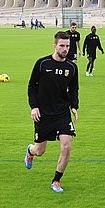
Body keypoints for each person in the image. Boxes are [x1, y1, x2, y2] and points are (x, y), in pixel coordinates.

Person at [25, 32, 79, 193]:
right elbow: (31, 86)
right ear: (54, 45)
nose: (65, 49)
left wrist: (74, 106)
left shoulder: (72, 67)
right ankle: (30, 151)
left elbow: (74, 89)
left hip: (62, 113)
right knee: (40, 151)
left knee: (67, 146)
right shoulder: (42, 64)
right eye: (62, 45)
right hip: (43, 114)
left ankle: (56, 180)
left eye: (68, 46)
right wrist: (33, 107)